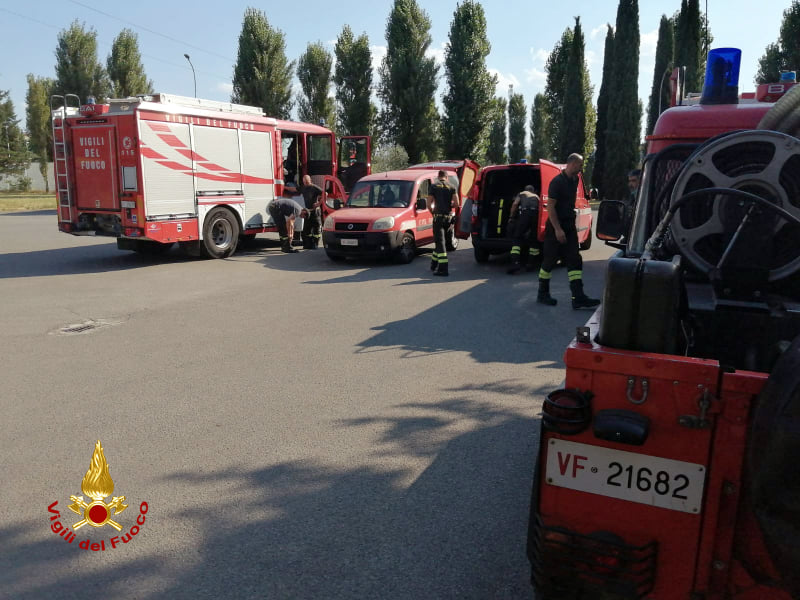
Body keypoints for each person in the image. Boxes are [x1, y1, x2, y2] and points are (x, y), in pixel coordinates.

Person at [537, 153, 601, 309]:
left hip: (569, 225)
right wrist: (558, 230)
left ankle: (578, 297)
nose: (581, 168)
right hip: (555, 226)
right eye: (579, 165)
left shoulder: (575, 179)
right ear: (572, 164)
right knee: (550, 260)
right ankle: (542, 293)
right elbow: (551, 207)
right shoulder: (557, 182)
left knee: (574, 259)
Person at [428, 170, 458, 277]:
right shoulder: (452, 186)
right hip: (448, 218)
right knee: (440, 242)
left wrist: (433, 213)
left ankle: (443, 269)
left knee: (440, 242)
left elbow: (429, 203)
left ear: (438, 176)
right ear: (446, 177)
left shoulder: (434, 186)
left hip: (438, 218)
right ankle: (433, 264)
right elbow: (457, 203)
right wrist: (449, 205)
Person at [506, 184, 542, 275]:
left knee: (517, 237)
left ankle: (515, 263)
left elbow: (515, 204)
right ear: (533, 191)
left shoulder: (522, 193)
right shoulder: (537, 197)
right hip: (536, 216)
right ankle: (530, 264)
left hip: (525, 214)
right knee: (534, 240)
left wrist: (511, 217)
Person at [300, 174, 323, 249]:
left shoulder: (314, 187)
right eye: (304, 182)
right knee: (307, 229)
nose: (306, 183)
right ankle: (308, 244)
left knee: (316, 229)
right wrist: (283, 186)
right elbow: (294, 189)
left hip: (315, 212)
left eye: (307, 181)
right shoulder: (303, 188)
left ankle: (315, 244)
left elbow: (325, 193)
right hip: (308, 212)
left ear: (310, 180)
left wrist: (319, 203)